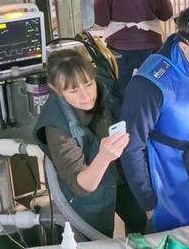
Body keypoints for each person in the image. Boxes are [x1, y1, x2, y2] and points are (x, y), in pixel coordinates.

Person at [120, 4, 189, 232]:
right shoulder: (152, 82)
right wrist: (148, 202)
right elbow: (131, 146)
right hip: (173, 180)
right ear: (184, 46)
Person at [33, 49, 146, 237]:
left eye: (88, 84)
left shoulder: (107, 86)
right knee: (95, 243)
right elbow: (82, 185)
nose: (86, 96)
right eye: (73, 90)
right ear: (54, 88)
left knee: (143, 223)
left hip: (123, 177)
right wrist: (103, 158)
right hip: (90, 194)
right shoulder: (56, 126)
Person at [94, 0, 174, 99]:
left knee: (119, 93)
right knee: (154, 89)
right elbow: (166, 14)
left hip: (119, 47)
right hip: (151, 45)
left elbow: (101, 20)